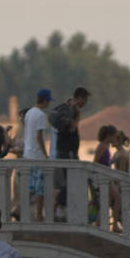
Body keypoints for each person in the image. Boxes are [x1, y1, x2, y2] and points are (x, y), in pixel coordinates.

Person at [49, 86, 91, 219]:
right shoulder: (72, 109)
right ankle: (58, 205)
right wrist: (78, 116)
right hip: (68, 151)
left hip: (62, 150)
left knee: (70, 181)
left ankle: (61, 207)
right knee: (74, 181)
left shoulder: (64, 106)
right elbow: (72, 128)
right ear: (80, 98)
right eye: (85, 100)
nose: (85, 103)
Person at [23, 89, 52, 221]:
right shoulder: (41, 115)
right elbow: (39, 136)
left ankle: (27, 213)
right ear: (45, 100)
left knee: (30, 187)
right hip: (37, 156)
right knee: (40, 189)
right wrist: (46, 155)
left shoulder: (29, 113)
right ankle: (39, 214)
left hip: (27, 154)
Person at [92, 124, 118, 228]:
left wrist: (111, 161)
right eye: (114, 136)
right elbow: (95, 162)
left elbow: (104, 162)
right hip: (103, 177)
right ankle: (115, 224)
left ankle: (100, 224)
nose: (115, 139)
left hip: (106, 176)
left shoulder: (106, 146)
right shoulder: (102, 146)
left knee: (106, 203)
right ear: (109, 136)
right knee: (117, 198)